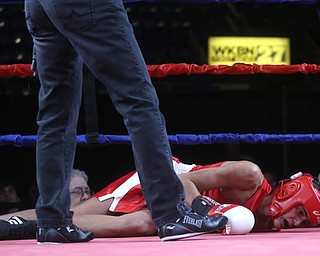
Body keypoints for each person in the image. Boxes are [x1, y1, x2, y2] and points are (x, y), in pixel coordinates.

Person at [24, 0, 227, 243]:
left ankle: (52, 223)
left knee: (55, 115)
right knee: (139, 102)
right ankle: (170, 213)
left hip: (39, 5)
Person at [1, 157, 319, 239]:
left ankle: (36, 227)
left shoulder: (267, 226)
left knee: (143, 223)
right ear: (291, 193)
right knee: (77, 210)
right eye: (301, 214)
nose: (295, 223)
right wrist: (204, 207)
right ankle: (13, 223)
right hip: (161, 177)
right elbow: (180, 180)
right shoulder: (249, 175)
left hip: (168, 211)